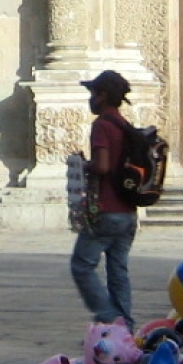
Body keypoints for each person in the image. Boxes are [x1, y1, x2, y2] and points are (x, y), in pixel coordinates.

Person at [68, 70, 137, 326]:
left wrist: (83, 165)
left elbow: (103, 166)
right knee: (118, 271)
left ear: (103, 95)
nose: (90, 99)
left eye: (93, 93)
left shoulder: (102, 125)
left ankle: (108, 317)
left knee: (82, 265)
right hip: (128, 211)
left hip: (107, 209)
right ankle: (125, 325)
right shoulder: (125, 125)